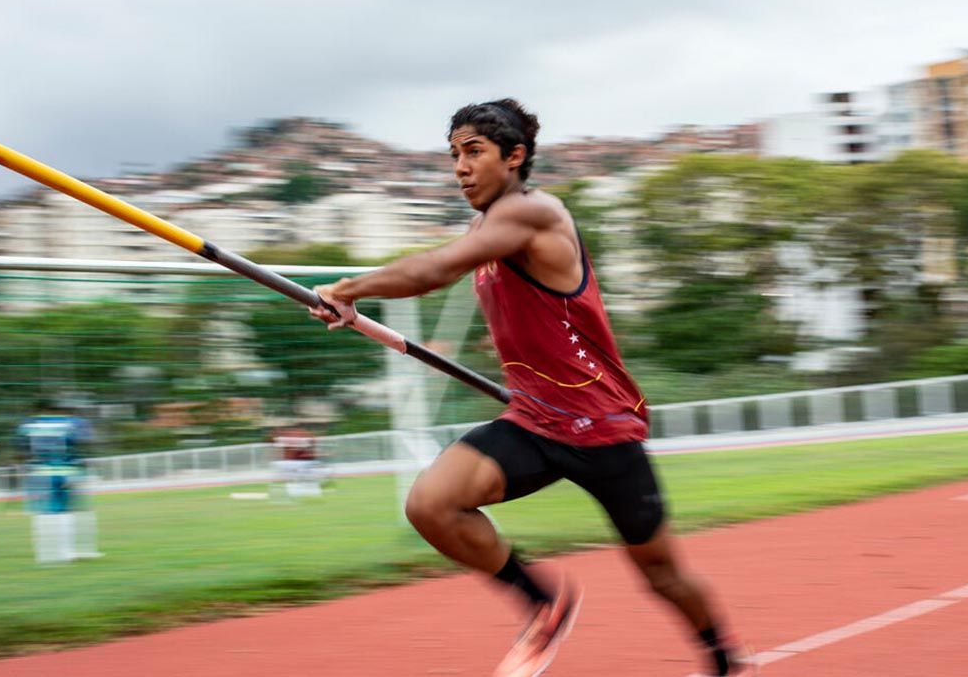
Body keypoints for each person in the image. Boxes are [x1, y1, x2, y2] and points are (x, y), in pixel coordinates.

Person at [310, 99, 754, 676]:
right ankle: (542, 603)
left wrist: (350, 288)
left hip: (602, 427)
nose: (460, 168)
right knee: (431, 503)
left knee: (662, 574)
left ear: (515, 157)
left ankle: (725, 660)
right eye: (454, 156)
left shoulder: (533, 213)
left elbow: (434, 270)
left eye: (474, 152)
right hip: (535, 421)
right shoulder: (487, 228)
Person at [17, 397, 102, 563]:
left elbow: (22, 449)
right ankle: (66, 553)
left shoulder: (27, 425)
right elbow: (84, 443)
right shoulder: (73, 423)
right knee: (66, 512)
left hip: (38, 473)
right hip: (66, 472)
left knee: (42, 513)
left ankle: (44, 554)